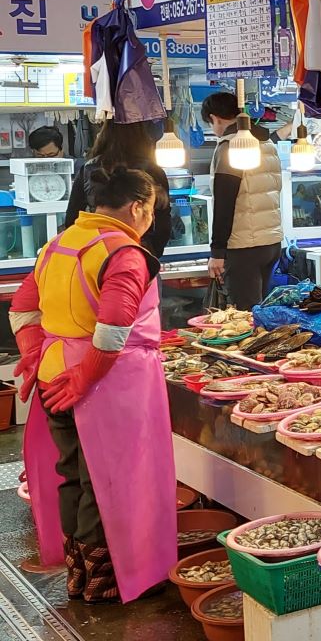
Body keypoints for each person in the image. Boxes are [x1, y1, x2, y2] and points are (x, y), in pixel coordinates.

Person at [9, 167, 176, 604]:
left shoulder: (58, 244)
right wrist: (84, 377)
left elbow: (21, 309)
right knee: (110, 482)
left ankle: (79, 577)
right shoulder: (123, 252)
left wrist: (34, 353)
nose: (150, 220)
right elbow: (111, 331)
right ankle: (108, 581)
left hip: (53, 375)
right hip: (105, 387)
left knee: (73, 476)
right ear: (138, 207)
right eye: (152, 211)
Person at [201, 92, 283, 310]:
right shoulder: (267, 144)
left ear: (215, 118)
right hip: (271, 242)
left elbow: (224, 202)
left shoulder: (230, 147)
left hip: (244, 246)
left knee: (244, 316)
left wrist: (217, 252)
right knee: (260, 312)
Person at [65, 120, 171, 259]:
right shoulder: (153, 171)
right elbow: (163, 222)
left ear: (104, 135)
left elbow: (72, 217)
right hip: (140, 251)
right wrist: (152, 253)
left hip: (98, 251)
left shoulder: (89, 168)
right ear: (142, 135)